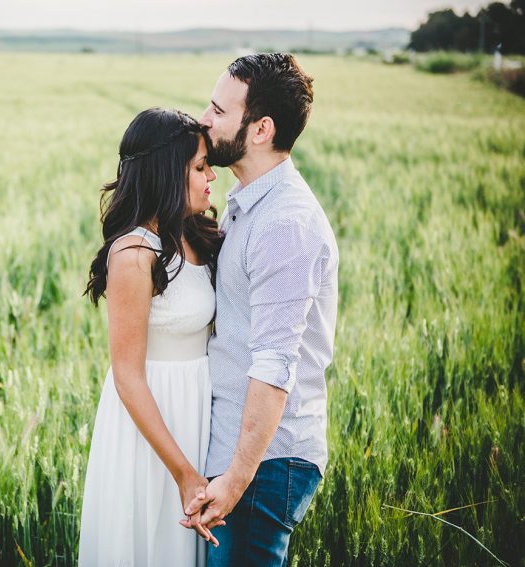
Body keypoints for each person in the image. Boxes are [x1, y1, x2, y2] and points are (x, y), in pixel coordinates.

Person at [181, 54, 339, 566]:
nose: (204, 119)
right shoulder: (248, 201)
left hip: (264, 465)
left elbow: (274, 366)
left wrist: (234, 479)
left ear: (261, 129)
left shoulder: (284, 223)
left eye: (218, 110)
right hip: (242, 454)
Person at [79, 107, 224, 566]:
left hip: (198, 408)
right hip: (154, 424)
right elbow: (127, 376)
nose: (211, 178)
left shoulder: (195, 235)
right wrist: (183, 472)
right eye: (200, 167)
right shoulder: (134, 253)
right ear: (166, 172)